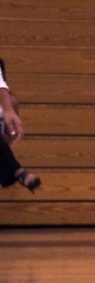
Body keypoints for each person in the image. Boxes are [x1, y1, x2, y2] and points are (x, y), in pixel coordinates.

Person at [0, 58, 41, 193]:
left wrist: (8, 109)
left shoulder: (9, 104)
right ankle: (18, 171)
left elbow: (9, 140)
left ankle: (17, 171)